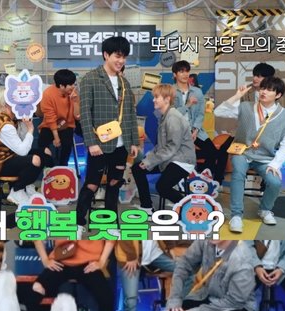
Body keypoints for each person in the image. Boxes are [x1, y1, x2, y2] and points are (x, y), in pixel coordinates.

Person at [76, 36, 139, 238]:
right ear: (106, 55)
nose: (121, 61)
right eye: (117, 56)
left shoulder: (124, 82)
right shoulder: (90, 79)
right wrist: (91, 143)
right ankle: (79, 222)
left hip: (121, 145)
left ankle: (112, 223)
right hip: (99, 144)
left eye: (124, 57)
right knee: (92, 185)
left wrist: (134, 142)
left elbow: (130, 114)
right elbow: (85, 114)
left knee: (114, 184)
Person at [214, 77, 285, 233]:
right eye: (262, 88)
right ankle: (236, 215)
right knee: (238, 173)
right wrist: (237, 95)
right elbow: (218, 112)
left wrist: (275, 164)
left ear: (278, 95)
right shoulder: (246, 107)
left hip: (265, 158)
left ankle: (265, 210)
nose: (264, 92)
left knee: (275, 182)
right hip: (243, 153)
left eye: (269, 90)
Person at [160, 240, 256, 311]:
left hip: (236, 305)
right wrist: (175, 298)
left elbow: (235, 301)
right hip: (208, 294)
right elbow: (183, 265)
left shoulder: (242, 257)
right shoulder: (205, 241)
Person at [131, 83, 196, 213]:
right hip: (170, 159)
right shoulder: (164, 116)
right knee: (138, 168)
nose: (153, 100)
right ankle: (147, 207)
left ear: (167, 99)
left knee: (162, 187)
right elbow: (160, 146)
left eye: (156, 97)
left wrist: (150, 161)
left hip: (182, 161)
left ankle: (191, 210)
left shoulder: (173, 117)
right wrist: (147, 160)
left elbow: (172, 147)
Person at [0, 88, 50, 205]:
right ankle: (17, 190)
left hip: (9, 156)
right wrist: (30, 129)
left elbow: (23, 143)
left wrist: (24, 123)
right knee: (35, 160)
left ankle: (27, 186)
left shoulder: (13, 119)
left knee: (44, 152)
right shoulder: (5, 125)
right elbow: (23, 151)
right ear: (7, 105)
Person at [172, 60, 229, 185]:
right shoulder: (171, 91)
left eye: (187, 71)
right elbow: (172, 114)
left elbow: (200, 114)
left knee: (213, 152)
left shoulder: (197, 92)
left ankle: (205, 181)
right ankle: (187, 163)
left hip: (195, 131)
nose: (185, 74)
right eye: (181, 71)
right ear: (175, 74)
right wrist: (187, 105)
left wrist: (196, 129)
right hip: (178, 131)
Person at [247, 240, 285, 311]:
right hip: (252, 264)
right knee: (238, 293)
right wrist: (256, 266)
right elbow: (246, 245)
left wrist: (282, 268)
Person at [38, 69, 80, 167]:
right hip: (49, 125)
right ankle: (50, 166)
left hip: (67, 124)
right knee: (42, 143)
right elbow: (50, 118)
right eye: (70, 84)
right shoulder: (48, 94)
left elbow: (77, 116)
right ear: (61, 86)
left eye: (74, 84)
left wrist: (75, 102)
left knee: (67, 144)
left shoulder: (73, 93)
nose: (73, 87)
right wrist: (56, 137)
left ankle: (63, 166)